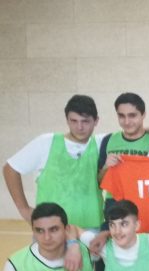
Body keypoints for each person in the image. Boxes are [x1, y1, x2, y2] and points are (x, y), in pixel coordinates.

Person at [4, 94, 104, 228]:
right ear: (67, 120)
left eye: (85, 121)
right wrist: (24, 210)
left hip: (92, 230)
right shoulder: (46, 142)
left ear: (96, 121)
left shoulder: (102, 143)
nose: (79, 127)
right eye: (74, 121)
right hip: (50, 232)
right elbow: (10, 169)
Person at [99, 92, 149, 179]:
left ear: (143, 115)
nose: (127, 122)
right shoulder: (108, 139)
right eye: (121, 116)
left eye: (132, 115)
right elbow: (99, 180)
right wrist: (106, 168)